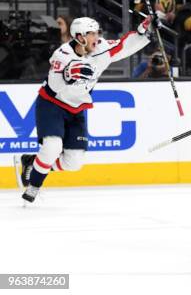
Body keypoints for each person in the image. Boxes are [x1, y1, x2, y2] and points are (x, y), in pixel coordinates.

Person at [15, 16, 157, 202]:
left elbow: (125, 45)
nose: (96, 37)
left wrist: (144, 32)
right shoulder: (62, 54)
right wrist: (69, 73)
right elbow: (55, 85)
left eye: (97, 32)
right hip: (52, 104)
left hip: (76, 108)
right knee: (52, 147)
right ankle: (34, 185)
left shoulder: (101, 48)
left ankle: (33, 163)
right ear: (79, 37)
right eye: (91, 33)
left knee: (73, 163)